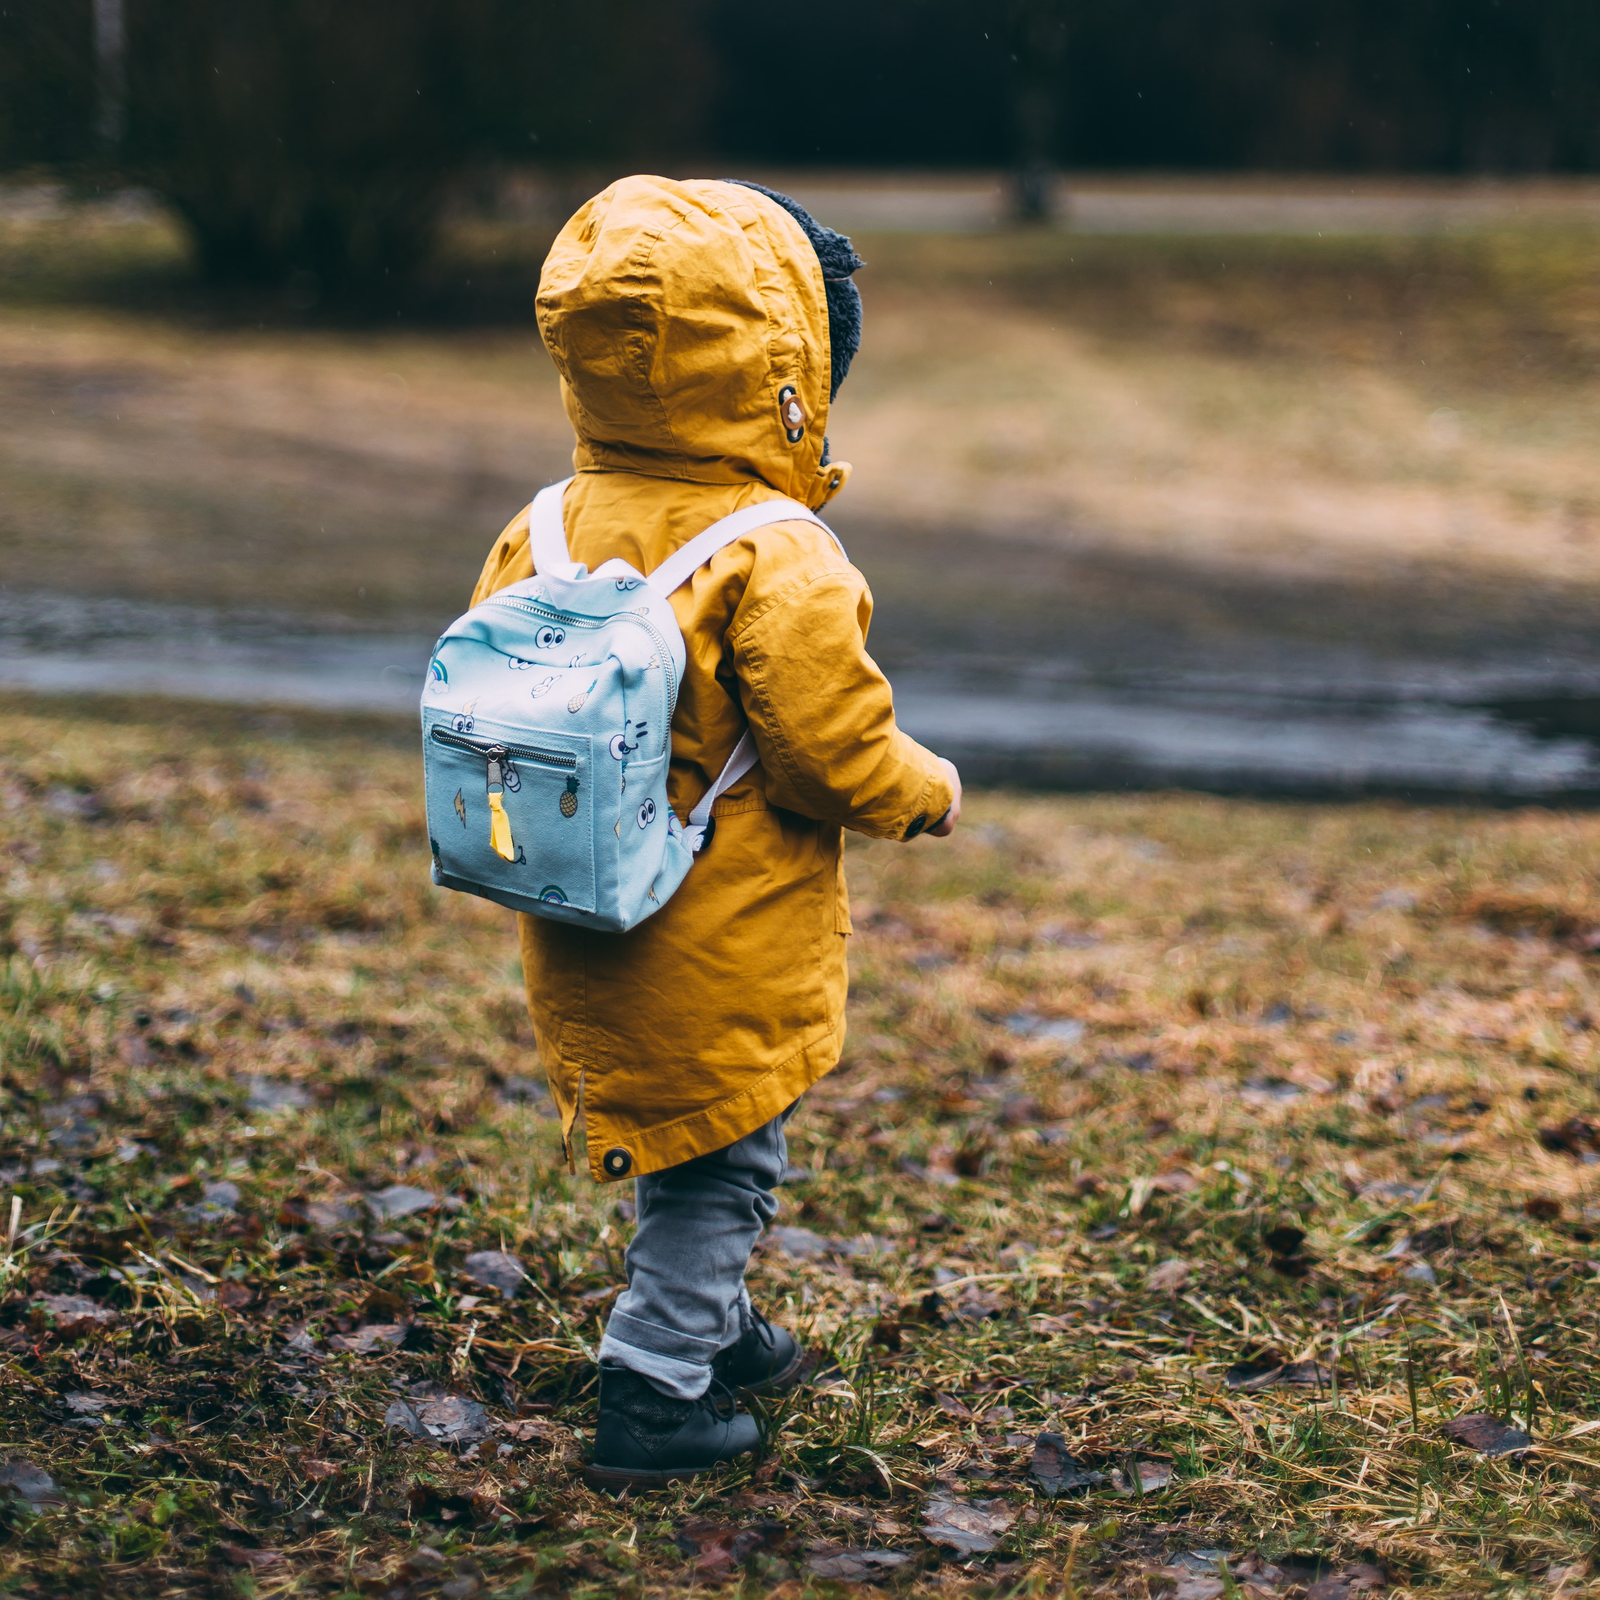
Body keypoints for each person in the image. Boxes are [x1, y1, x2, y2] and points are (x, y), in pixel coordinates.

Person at [469, 175, 962, 1489]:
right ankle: (658, 1387)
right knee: (727, 1161)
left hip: (581, 910)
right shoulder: (774, 551)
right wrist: (926, 789)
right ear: (787, 372)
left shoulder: (547, 527)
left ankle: (718, 1326)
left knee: (694, 1135)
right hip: (719, 925)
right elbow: (830, 749)